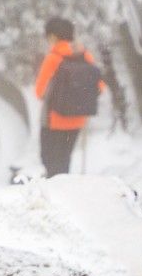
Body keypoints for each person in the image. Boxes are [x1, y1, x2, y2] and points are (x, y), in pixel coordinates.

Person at [33, 16, 104, 177]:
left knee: (50, 162)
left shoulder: (53, 58)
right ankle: (62, 190)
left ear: (52, 36)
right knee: (64, 161)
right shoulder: (85, 56)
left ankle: (52, 195)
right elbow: (100, 87)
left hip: (54, 120)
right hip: (78, 120)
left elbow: (40, 92)